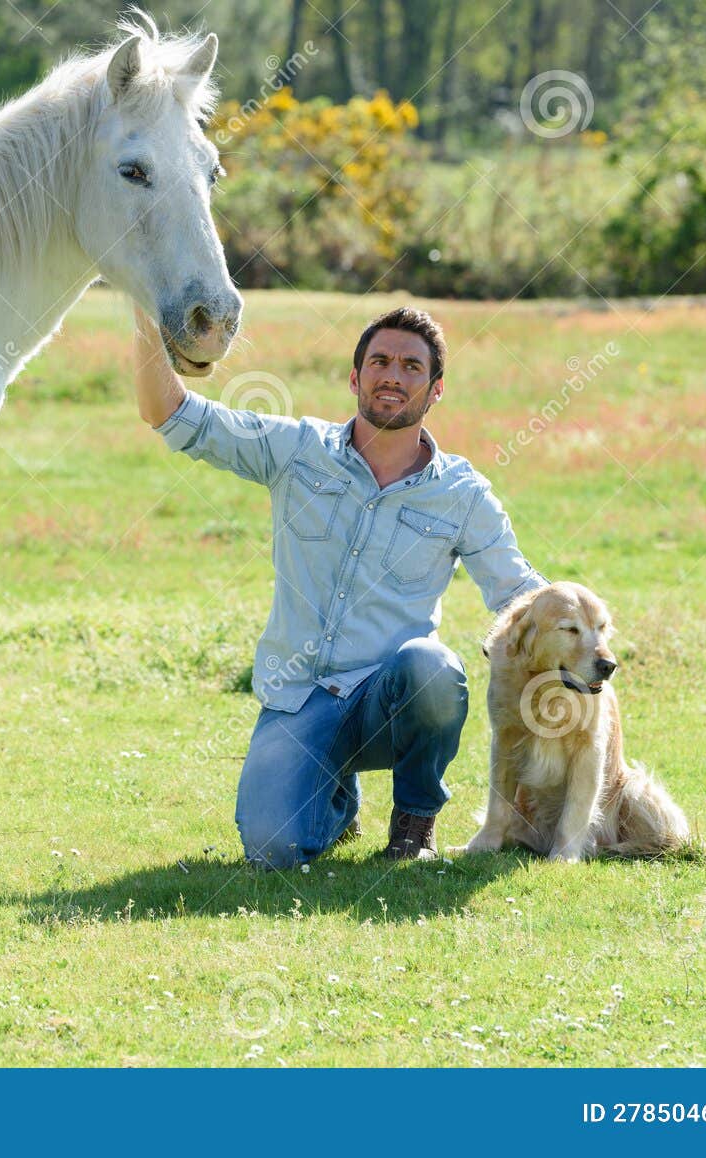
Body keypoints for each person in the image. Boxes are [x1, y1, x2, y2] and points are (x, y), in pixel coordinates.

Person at [133, 304, 547, 865]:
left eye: (411, 366)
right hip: (298, 697)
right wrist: (141, 308)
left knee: (434, 667)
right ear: (355, 378)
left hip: (390, 699)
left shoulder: (463, 495)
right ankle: (334, 798)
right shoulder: (296, 451)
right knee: (274, 850)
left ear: (436, 389)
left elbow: (518, 594)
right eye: (379, 361)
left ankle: (413, 826)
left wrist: (585, 637)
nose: (393, 376)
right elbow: (172, 414)